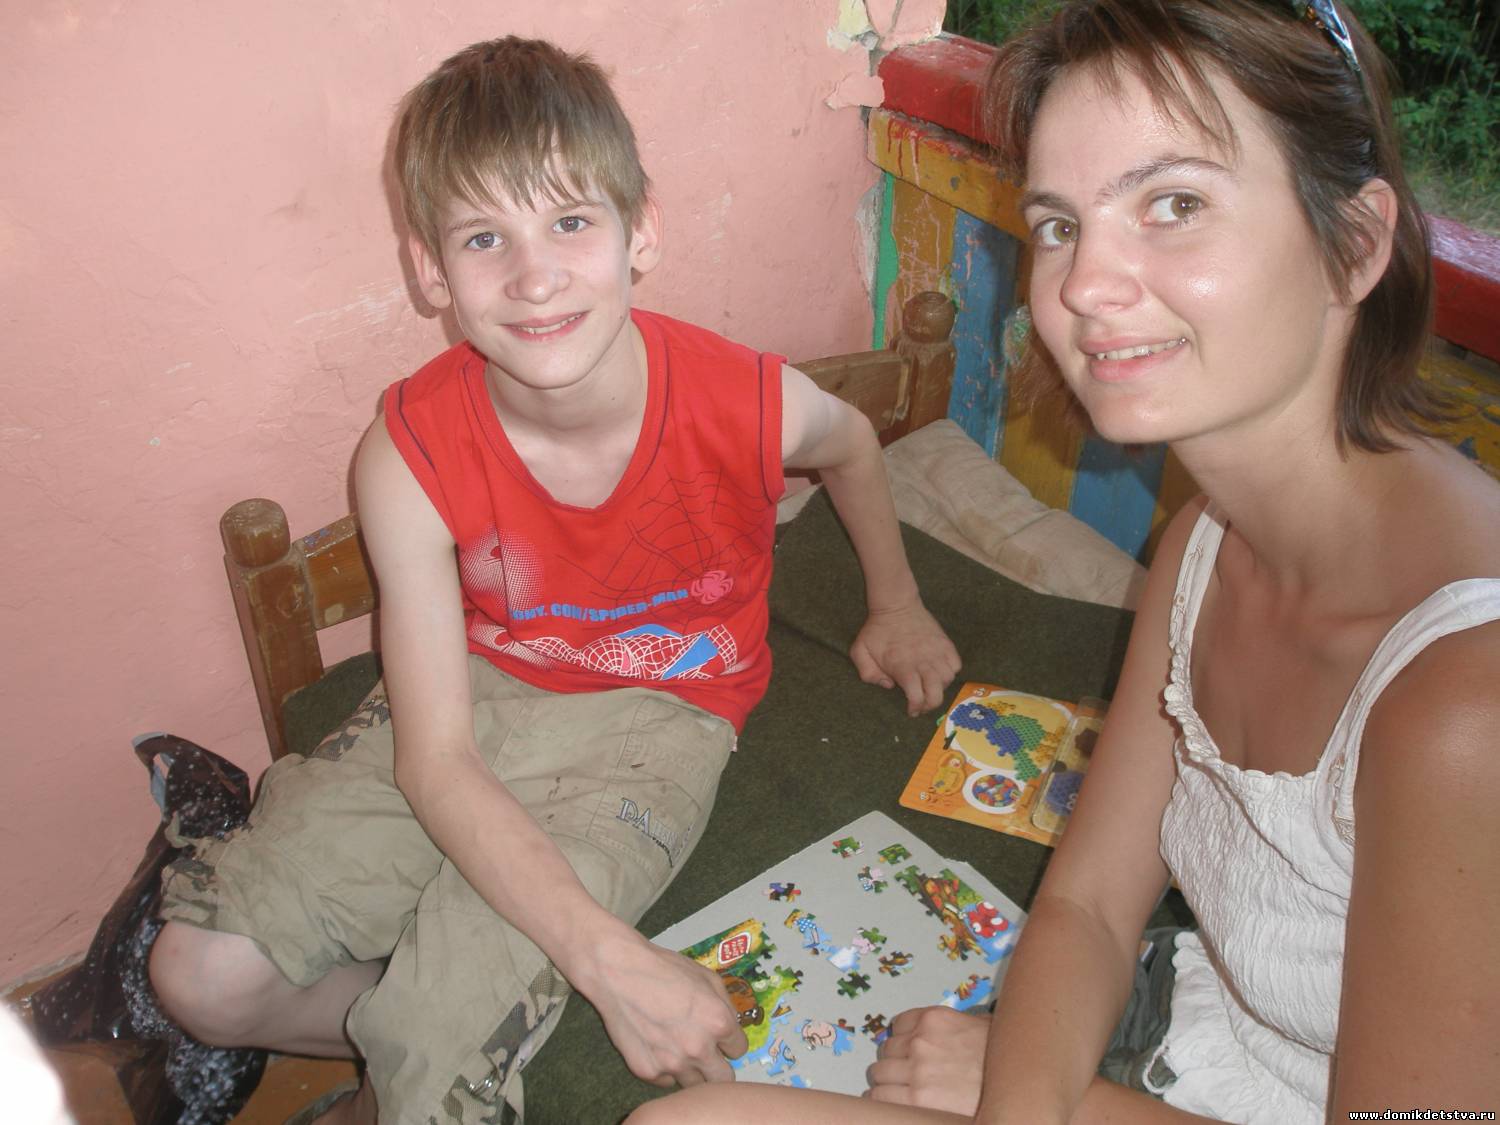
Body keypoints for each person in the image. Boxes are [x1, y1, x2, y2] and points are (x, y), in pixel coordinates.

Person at [627, 1, 1500, 1123]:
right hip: (1200, 1027)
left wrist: (1058, 1100)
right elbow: (1087, 905)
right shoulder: (1203, 543)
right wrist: (1021, 1098)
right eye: (1058, 224)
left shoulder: (1463, 705)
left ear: (1357, 244)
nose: (1084, 284)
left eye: (1175, 204)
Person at [145, 36, 960, 1124]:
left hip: (659, 714)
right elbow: (438, 759)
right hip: (480, 692)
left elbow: (855, 443)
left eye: (571, 222)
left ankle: (409, 1052)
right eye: (485, 237)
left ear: (641, 231)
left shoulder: (741, 403)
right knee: (199, 977)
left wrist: (896, 603)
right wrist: (613, 966)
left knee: (435, 1048)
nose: (534, 278)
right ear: (430, 271)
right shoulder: (407, 454)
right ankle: (402, 1036)